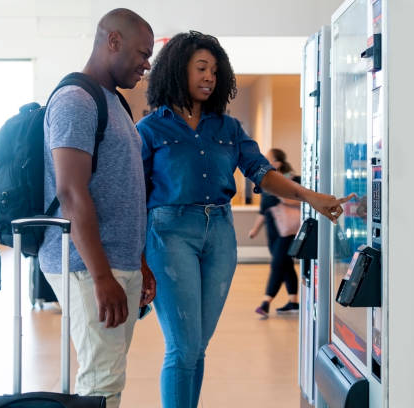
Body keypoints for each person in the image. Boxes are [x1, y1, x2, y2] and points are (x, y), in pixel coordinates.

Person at [136, 31, 354, 408]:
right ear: (176, 70)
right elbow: (135, 196)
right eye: (201, 68)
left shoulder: (228, 128)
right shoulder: (151, 129)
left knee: (198, 346)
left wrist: (308, 196)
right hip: (169, 233)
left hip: (219, 235)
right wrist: (136, 258)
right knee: (183, 347)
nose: (209, 77)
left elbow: (260, 171)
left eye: (215, 71)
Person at [37, 9, 156, 408]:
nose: (146, 64)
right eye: (142, 53)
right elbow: (71, 193)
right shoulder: (76, 100)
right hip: (85, 265)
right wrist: (102, 276)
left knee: (107, 371)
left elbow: (124, 188)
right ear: (113, 41)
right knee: (102, 380)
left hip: (114, 263)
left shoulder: (115, 103)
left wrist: (138, 261)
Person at [248, 148, 301, 317]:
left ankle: (266, 302)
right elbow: (264, 210)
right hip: (273, 229)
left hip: (288, 229)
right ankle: (293, 302)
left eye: (268, 158)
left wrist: (280, 193)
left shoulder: (292, 180)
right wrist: (255, 229)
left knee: (277, 264)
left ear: (277, 163)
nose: (265, 160)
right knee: (285, 265)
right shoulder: (267, 182)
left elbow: (301, 202)